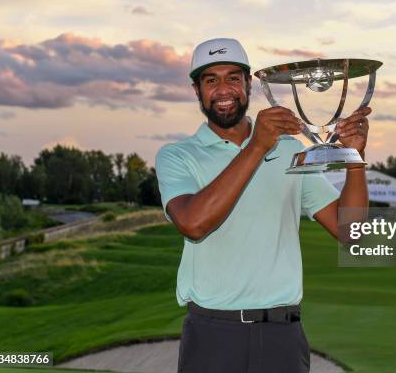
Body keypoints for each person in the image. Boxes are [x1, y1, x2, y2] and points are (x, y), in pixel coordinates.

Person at [155, 38, 371, 373]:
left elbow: (352, 232)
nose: (223, 89)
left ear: (248, 84)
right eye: (211, 80)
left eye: (232, 78)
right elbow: (193, 224)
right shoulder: (177, 156)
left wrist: (355, 158)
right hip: (214, 334)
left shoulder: (288, 150)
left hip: (282, 336)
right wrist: (257, 146)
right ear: (196, 90)